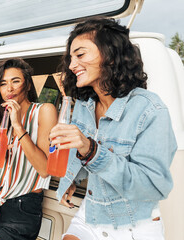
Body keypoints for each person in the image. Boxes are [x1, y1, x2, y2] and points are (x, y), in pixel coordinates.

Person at [49, 17, 177, 240]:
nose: (71, 65)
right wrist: (73, 179)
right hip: (91, 212)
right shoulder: (84, 106)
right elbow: (79, 156)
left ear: (110, 54)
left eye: (80, 55)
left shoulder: (149, 109)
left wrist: (92, 151)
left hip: (133, 225)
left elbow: (153, 187)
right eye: (70, 58)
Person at [0, 58, 58, 240]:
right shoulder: (1, 117)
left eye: (16, 81)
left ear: (28, 85)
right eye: (3, 84)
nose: (9, 89)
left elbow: (44, 170)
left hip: (22, 206)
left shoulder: (44, 111)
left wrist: (19, 127)